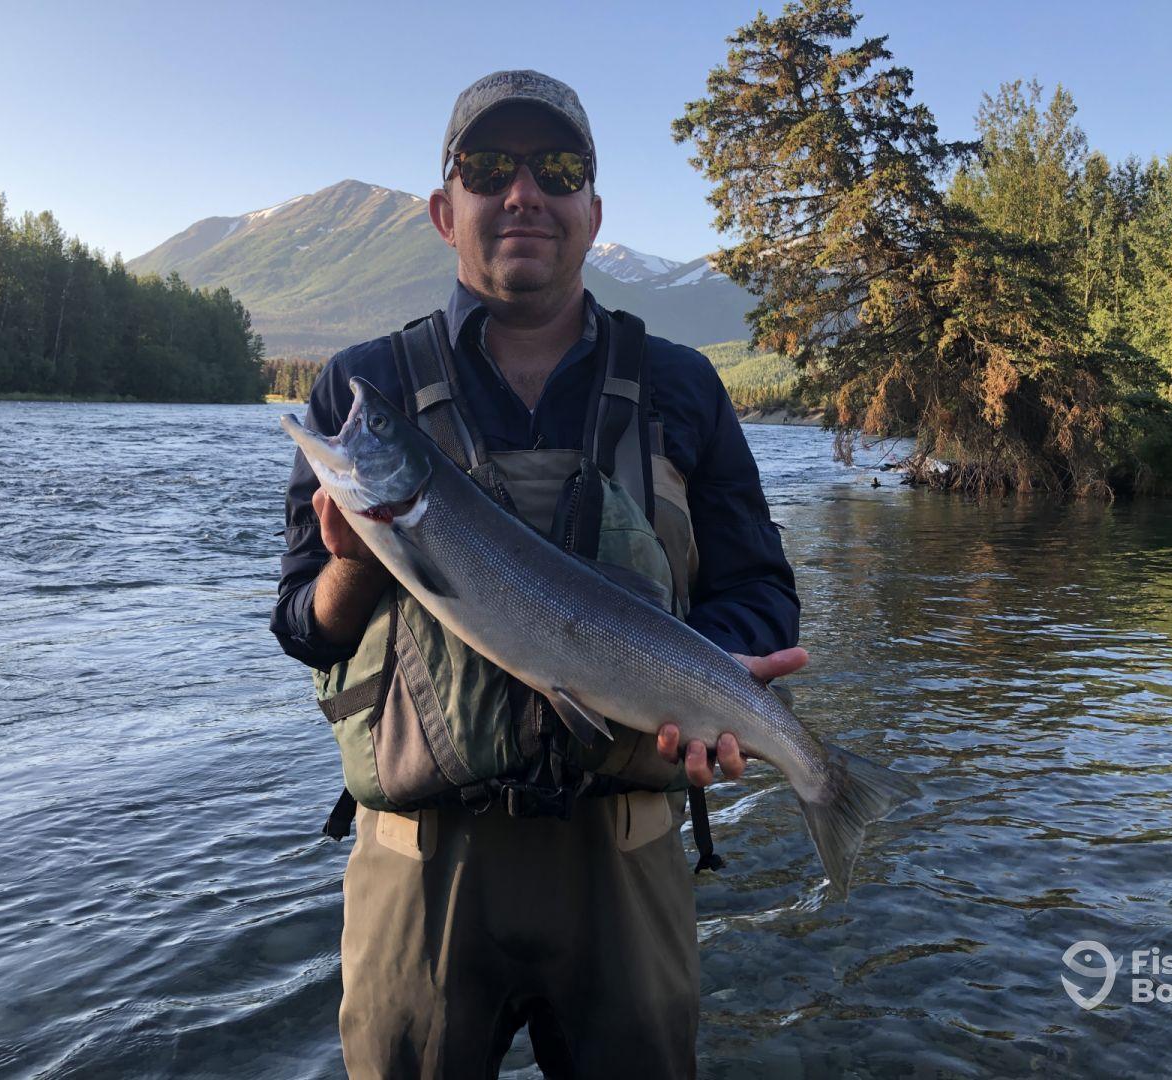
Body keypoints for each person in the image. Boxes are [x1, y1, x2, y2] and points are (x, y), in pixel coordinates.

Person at [271, 69, 803, 1079]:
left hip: (630, 854)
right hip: (418, 866)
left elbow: (759, 590)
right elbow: (304, 624)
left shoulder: (685, 387)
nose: (523, 193)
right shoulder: (360, 387)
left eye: (556, 169)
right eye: (487, 167)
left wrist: (716, 694)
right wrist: (355, 566)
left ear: (593, 212)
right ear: (444, 207)